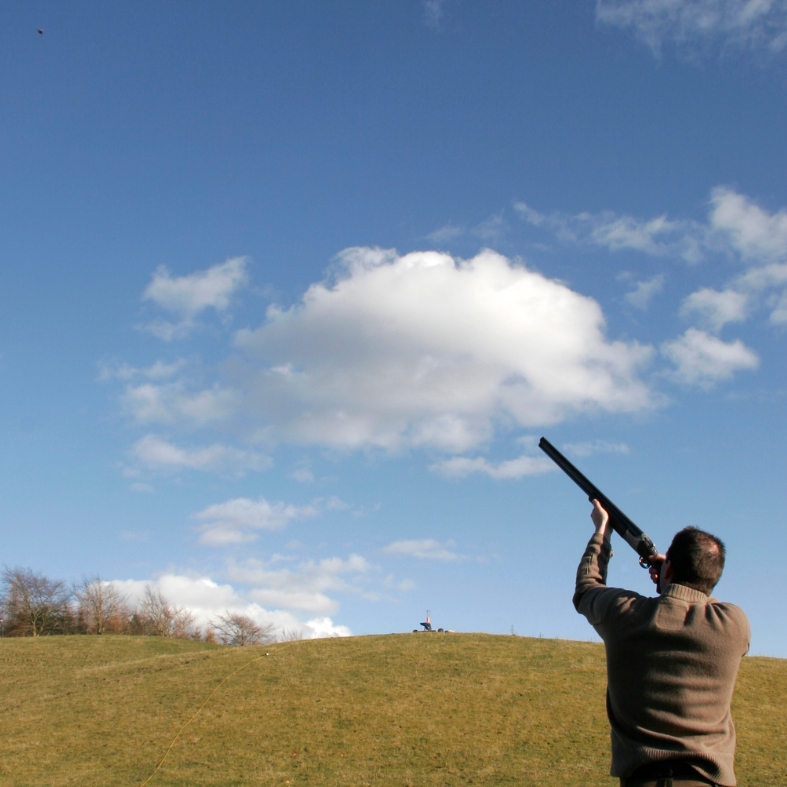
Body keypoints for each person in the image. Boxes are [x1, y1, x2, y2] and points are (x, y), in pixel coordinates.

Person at [574, 499, 750, 787]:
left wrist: (602, 533)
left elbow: (587, 588)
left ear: (668, 569)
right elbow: (701, 602)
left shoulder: (625, 613)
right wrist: (674, 578)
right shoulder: (734, 624)